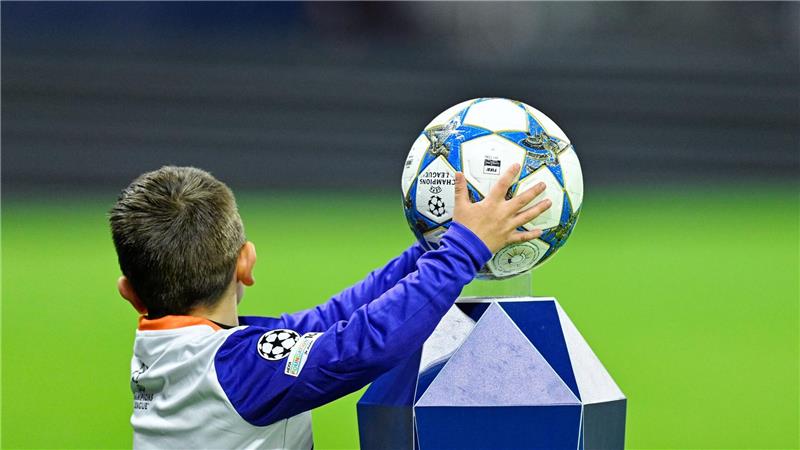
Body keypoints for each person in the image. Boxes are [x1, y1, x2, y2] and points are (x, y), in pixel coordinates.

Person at [109, 165, 551, 449]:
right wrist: (463, 249)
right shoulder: (234, 371)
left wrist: (436, 245)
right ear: (247, 263)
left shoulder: (178, 354)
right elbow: (363, 344)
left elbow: (331, 320)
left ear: (129, 292)